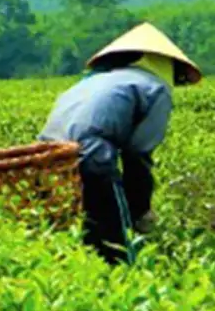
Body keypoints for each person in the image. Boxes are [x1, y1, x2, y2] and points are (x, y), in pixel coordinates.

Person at [39, 22, 203, 266]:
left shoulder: (91, 82)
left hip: (47, 159)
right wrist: (139, 210)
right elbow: (138, 152)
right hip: (91, 153)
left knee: (71, 236)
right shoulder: (155, 88)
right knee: (115, 241)